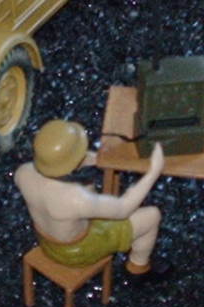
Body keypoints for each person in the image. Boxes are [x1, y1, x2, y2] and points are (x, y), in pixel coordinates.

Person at [15, 119, 169, 281]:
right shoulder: (75, 198)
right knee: (152, 215)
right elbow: (124, 208)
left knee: (91, 194)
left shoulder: (23, 173)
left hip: (47, 243)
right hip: (78, 253)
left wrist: (93, 159)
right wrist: (153, 172)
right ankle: (138, 268)